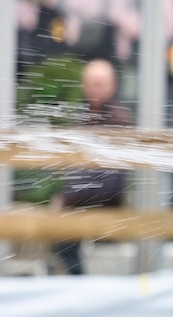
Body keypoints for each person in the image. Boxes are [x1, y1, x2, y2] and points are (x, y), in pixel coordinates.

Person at [51, 58, 134, 274]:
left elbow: (110, 177)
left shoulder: (118, 119)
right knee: (60, 239)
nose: (95, 88)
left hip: (104, 203)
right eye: (91, 83)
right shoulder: (83, 115)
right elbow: (73, 166)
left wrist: (70, 197)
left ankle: (83, 287)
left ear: (113, 85)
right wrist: (64, 196)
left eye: (100, 83)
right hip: (81, 202)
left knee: (67, 241)